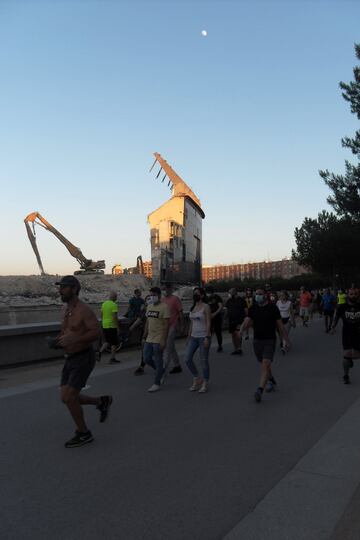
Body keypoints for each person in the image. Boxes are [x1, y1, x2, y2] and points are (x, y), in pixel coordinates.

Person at [55, 276, 112, 448]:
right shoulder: (65, 310)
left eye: (64, 287)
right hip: (70, 358)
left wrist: (75, 339)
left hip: (83, 358)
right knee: (65, 398)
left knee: (69, 397)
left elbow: (96, 333)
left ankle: (83, 433)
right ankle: (101, 402)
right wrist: (57, 342)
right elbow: (66, 333)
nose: (60, 290)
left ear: (74, 289)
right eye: (60, 287)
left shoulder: (84, 310)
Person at [238, 287, 290, 402]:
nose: (257, 296)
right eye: (256, 294)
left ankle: (259, 390)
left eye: (260, 294)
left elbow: (280, 326)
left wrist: (286, 340)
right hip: (257, 341)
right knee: (264, 364)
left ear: (265, 295)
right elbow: (247, 321)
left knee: (265, 364)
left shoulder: (273, 308)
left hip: (270, 340)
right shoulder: (253, 308)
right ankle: (272, 381)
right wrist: (241, 330)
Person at [142, 286, 170, 392]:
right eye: (150, 295)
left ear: (159, 295)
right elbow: (148, 322)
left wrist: (164, 340)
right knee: (147, 358)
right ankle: (161, 371)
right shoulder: (149, 306)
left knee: (158, 360)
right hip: (149, 337)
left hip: (159, 338)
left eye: (154, 295)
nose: (152, 297)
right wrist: (144, 335)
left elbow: (166, 325)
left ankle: (157, 383)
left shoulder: (164, 307)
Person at [185, 288, 212, 393]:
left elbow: (209, 322)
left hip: (203, 336)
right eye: (194, 294)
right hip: (193, 337)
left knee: (203, 361)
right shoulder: (192, 307)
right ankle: (197, 378)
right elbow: (191, 323)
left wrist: (207, 337)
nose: (195, 295)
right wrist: (188, 336)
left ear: (202, 295)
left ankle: (205, 382)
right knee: (187, 359)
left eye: (197, 294)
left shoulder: (206, 307)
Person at [330, 288, 360, 384]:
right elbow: (336, 317)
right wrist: (333, 327)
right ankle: (346, 375)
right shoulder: (342, 307)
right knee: (346, 358)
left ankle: (351, 359)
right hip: (347, 334)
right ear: (348, 295)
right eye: (351, 294)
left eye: (355, 294)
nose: (353, 295)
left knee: (356, 355)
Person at [162, 283, 184, 375]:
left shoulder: (175, 299)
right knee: (171, 347)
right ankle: (177, 365)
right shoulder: (162, 300)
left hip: (172, 326)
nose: (165, 290)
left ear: (171, 289)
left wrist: (182, 326)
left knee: (167, 347)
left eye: (166, 289)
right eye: (164, 289)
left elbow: (181, 313)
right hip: (164, 326)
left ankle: (162, 369)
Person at [224, 288, 247, 355]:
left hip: (239, 320)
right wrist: (225, 319)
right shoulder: (229, 301)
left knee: (238, 333)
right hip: (231, 320)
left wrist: (246, 318)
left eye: (230, 293)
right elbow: (226, 310)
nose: (229, 294)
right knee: (233, 334)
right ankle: (235, 349)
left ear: (234, 293)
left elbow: (245, 310)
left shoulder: (241, 300)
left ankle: (239, 348)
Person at [100, 291, 120, 363]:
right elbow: (115, 317)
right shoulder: (114, 305)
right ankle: (112, 359)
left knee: (107, 341)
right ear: (114, 297)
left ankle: (99, 353)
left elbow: (101, 315)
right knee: (114, 343)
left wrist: (103, 323)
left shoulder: (104, 304)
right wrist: (117, 327)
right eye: (116, 296)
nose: (117, 298)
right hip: (112, 325)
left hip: (105, 324)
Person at [206, 285, 224, 352]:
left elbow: (220, 306)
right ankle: (208, 345)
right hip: (209, 317)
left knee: (218, 332)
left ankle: (220, 345)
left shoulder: (217, 297)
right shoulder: (206, 298)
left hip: (217, 317)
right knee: (208, 332)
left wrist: (214, 314)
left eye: (208, 292)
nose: (208, 294)